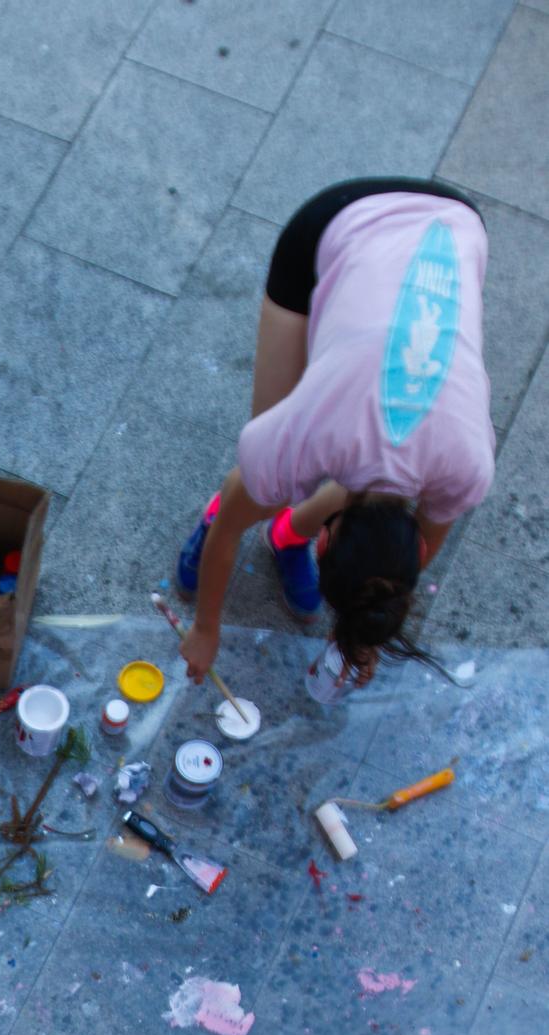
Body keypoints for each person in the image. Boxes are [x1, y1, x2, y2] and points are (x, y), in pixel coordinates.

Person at [177, 178, 495, 689]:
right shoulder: (303, 438)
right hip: (337, 222)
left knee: (344, 467)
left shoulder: (468, 468)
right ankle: (218, 512)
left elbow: (412, 553)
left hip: (457, 224)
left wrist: (362, 637)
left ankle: (286, 536)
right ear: (325, 543)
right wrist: (204, 627)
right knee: (258, 477)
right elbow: (239, 522)